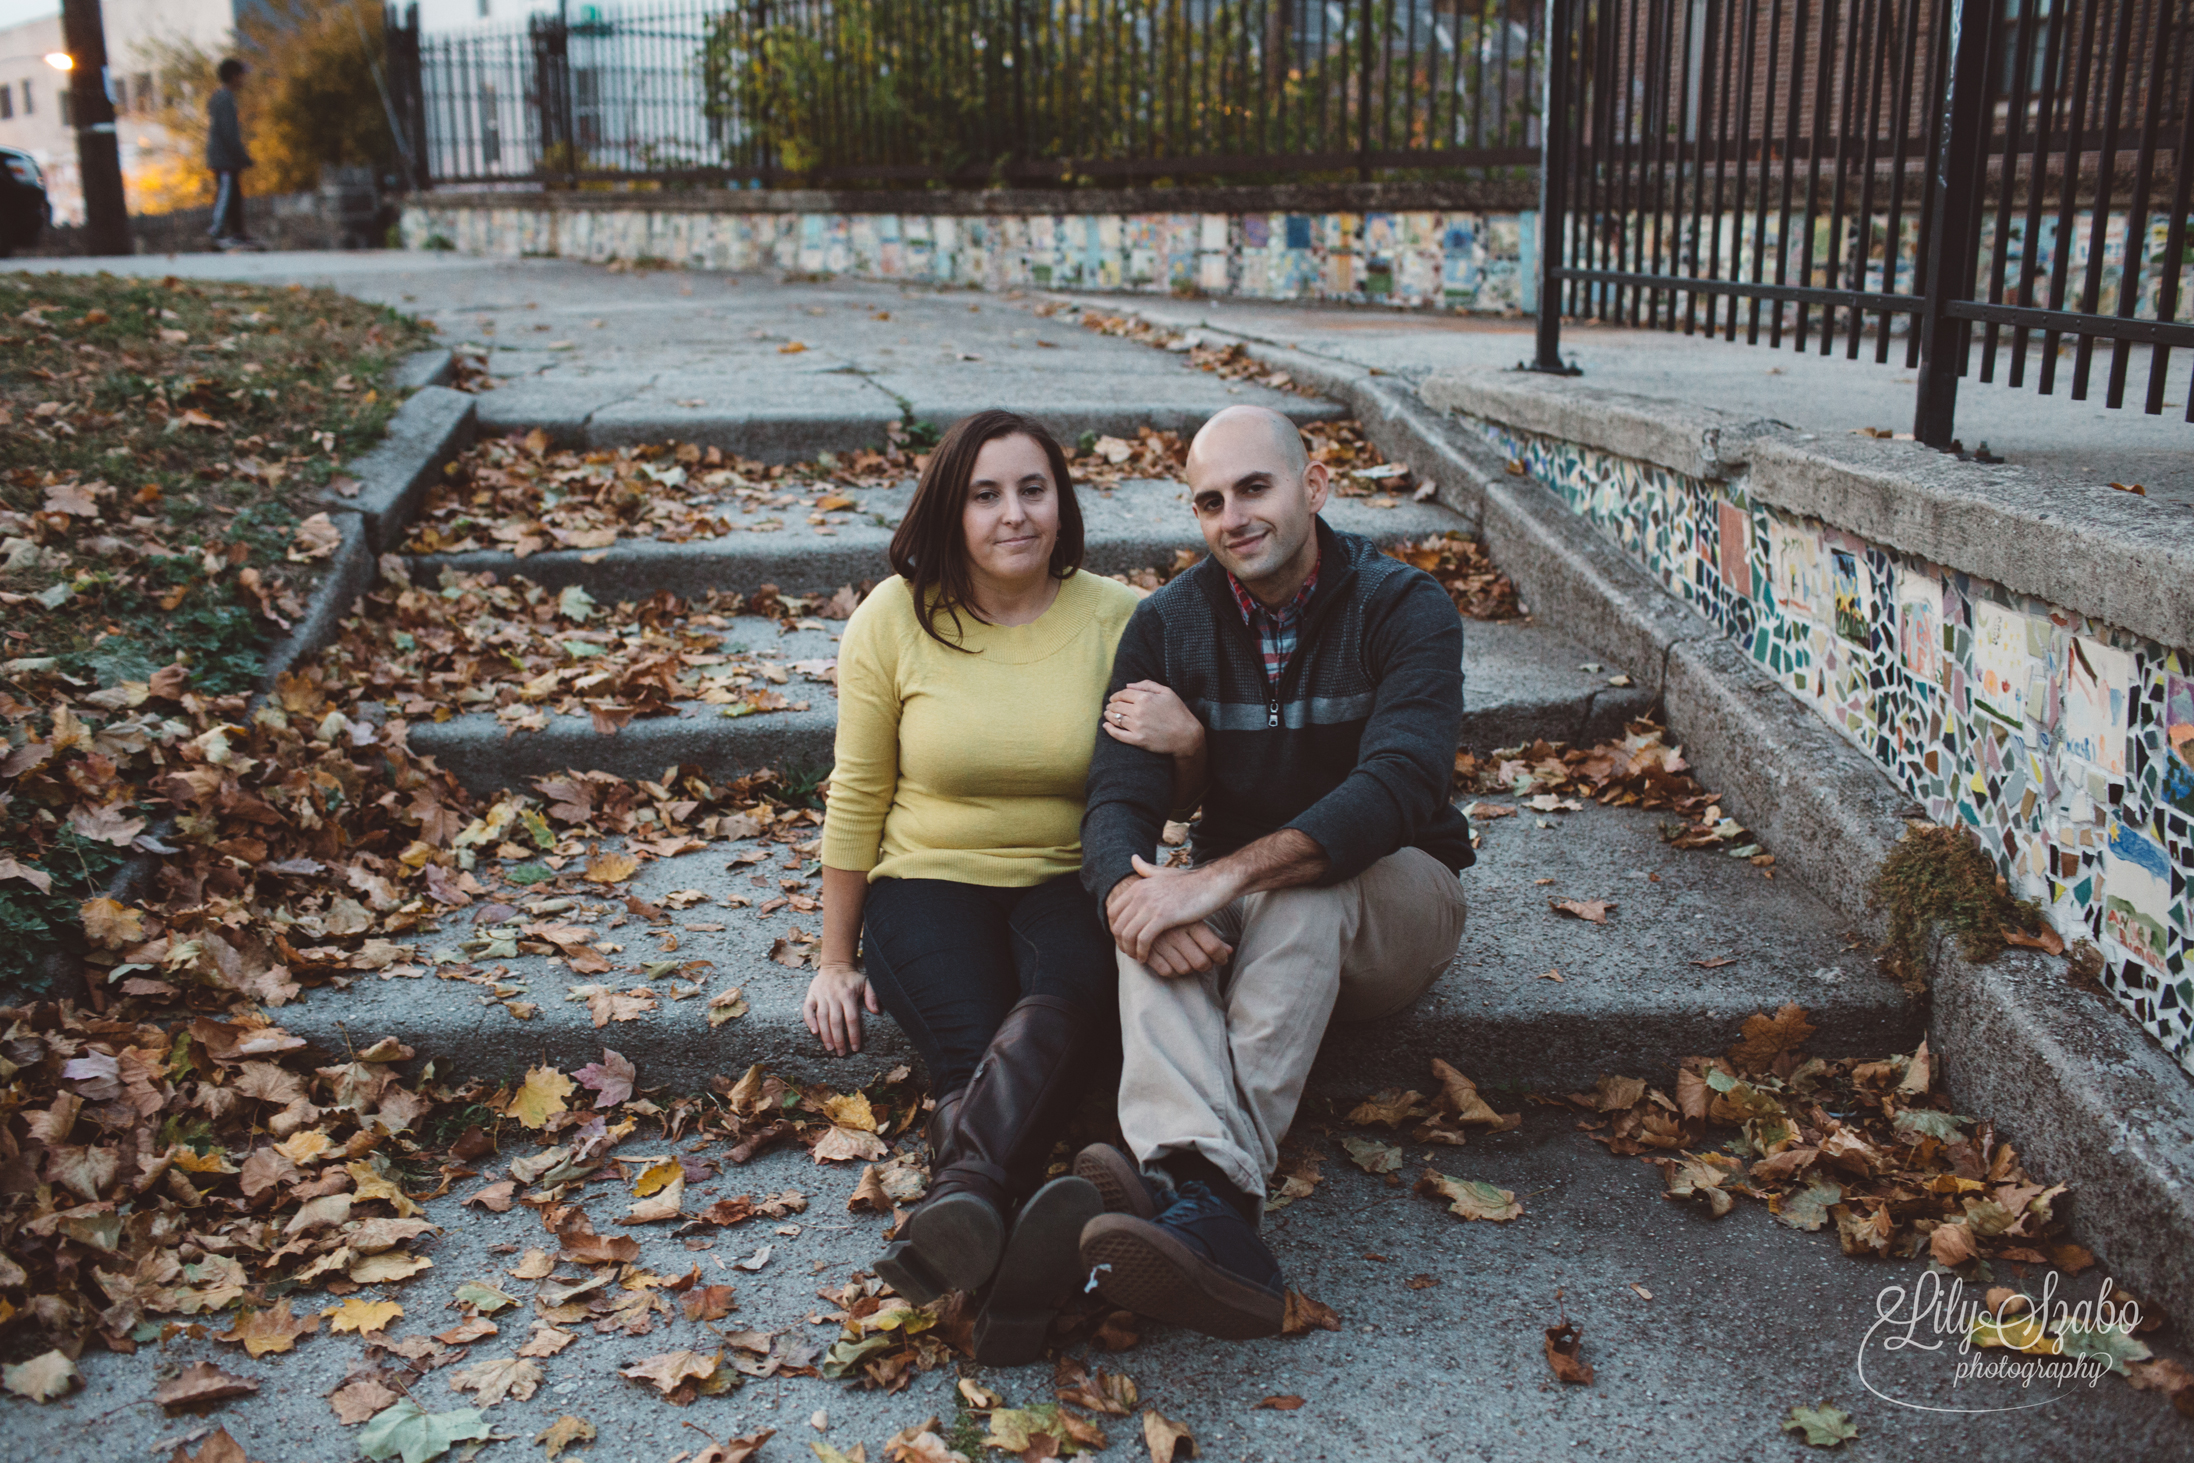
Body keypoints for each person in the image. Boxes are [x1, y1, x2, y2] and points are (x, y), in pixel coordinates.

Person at [1072, 404, 1472, 1339]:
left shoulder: (1403, 605)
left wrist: (1213, 880)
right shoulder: (1166, 625)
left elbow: (1399, 786)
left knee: (1300, 885)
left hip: (1399, 895)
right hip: (1249, 899)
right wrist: (1126, 890)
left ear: (1314, 484)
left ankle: (1188, 1184)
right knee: (1146, 923)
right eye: (1209, 501)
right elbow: (1114, 800)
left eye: (1254, 487)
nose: (1233, 517)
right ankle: (1206, 1210)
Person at [805, 409, 1145, 1364]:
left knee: (1065, 997)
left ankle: (964, 1219)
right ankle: (1006, 1273)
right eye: (986, 494)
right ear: (951, 510)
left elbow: (1158, 779)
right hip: (927, 880)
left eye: (1032, 489)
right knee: (974, 1030)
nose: (1013, 515)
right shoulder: (894, 617)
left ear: (1062, 501)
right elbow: (860, 791)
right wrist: (834, 958)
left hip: (1064, 878)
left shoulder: (1119, 617)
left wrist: (1189, 744)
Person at [205, 58, 259, 251]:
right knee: (226, 194)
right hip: (225, 159)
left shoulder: (224, 98)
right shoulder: (224, 99)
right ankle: (216, 232)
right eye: (242, 75)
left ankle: (238, 233)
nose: (244, 80)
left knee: (235, 195)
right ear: (234, 76)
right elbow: (228, 133)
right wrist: (241, 155)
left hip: (228, 159)